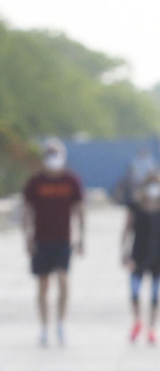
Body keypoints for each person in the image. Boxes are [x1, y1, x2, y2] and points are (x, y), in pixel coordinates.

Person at [22, 138, 85, 348]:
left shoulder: (71, 180)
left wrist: (81, 236)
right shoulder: (36, 182)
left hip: (63, 238)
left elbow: (79, 209)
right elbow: (27, 210)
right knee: (43, 284)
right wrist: (27, 237)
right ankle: (44, 326)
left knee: (63, 279)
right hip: (41, 239)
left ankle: (60, 322)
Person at [122, 177, 160, 345]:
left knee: (155, 295)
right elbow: (127, 230)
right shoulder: (136, 208)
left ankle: (152, 328)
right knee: (134, 292)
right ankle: (137, 321)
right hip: (137, 255)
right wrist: (124, 253)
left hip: (158, 257)